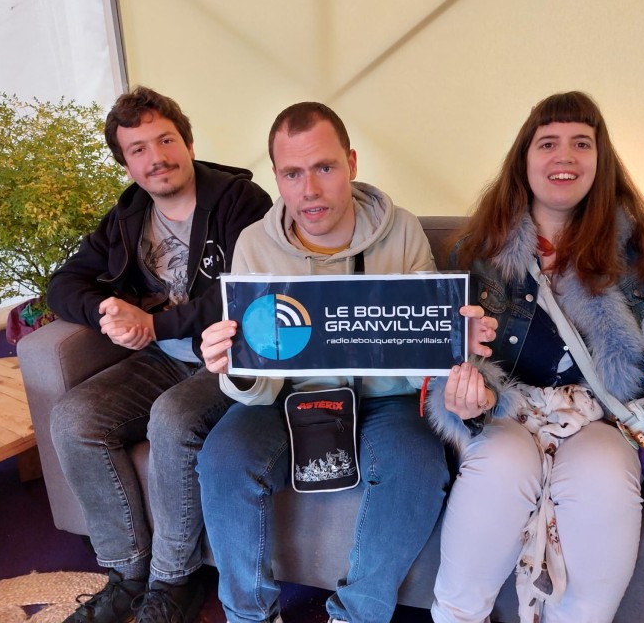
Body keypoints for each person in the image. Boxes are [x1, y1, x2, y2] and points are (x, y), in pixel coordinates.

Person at [424, 91, 644, 623]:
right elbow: (447, 351)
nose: (565, 156)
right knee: (501, 463)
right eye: (548, 143)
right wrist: (464, 388)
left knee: (605, 471)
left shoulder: (636, 250)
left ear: (601, 161)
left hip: (596, 417)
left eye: (581, 143)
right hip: (509, 411)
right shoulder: (477, 251)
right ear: (523, 160)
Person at [198, 102, 481, 623]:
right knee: (222, 459)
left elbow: (421, 359)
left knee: (418, 466)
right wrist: (235, 365)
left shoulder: (401, 231)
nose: (309, 190)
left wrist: (450, 342)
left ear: (351, 163)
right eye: (292, 173)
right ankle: (248, 616)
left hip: (386, 400)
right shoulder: (255, 245)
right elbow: (258, 385)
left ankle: (356, 615)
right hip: (286, 397)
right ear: (276, 177)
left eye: (324, 168)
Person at [48, 86, 272, 623]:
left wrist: (155, 323)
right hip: (162, 359)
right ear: (126, 164)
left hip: (230, 356)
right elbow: (63, 284)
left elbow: (248, 291)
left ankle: (175, 581)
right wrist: (107, 309)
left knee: (173, 417)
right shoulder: (128, 215)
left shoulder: (242, 202)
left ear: (188, 143)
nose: (157, 157)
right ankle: (128, 573)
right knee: (74, 418)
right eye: (139, 149)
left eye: (166, 140)